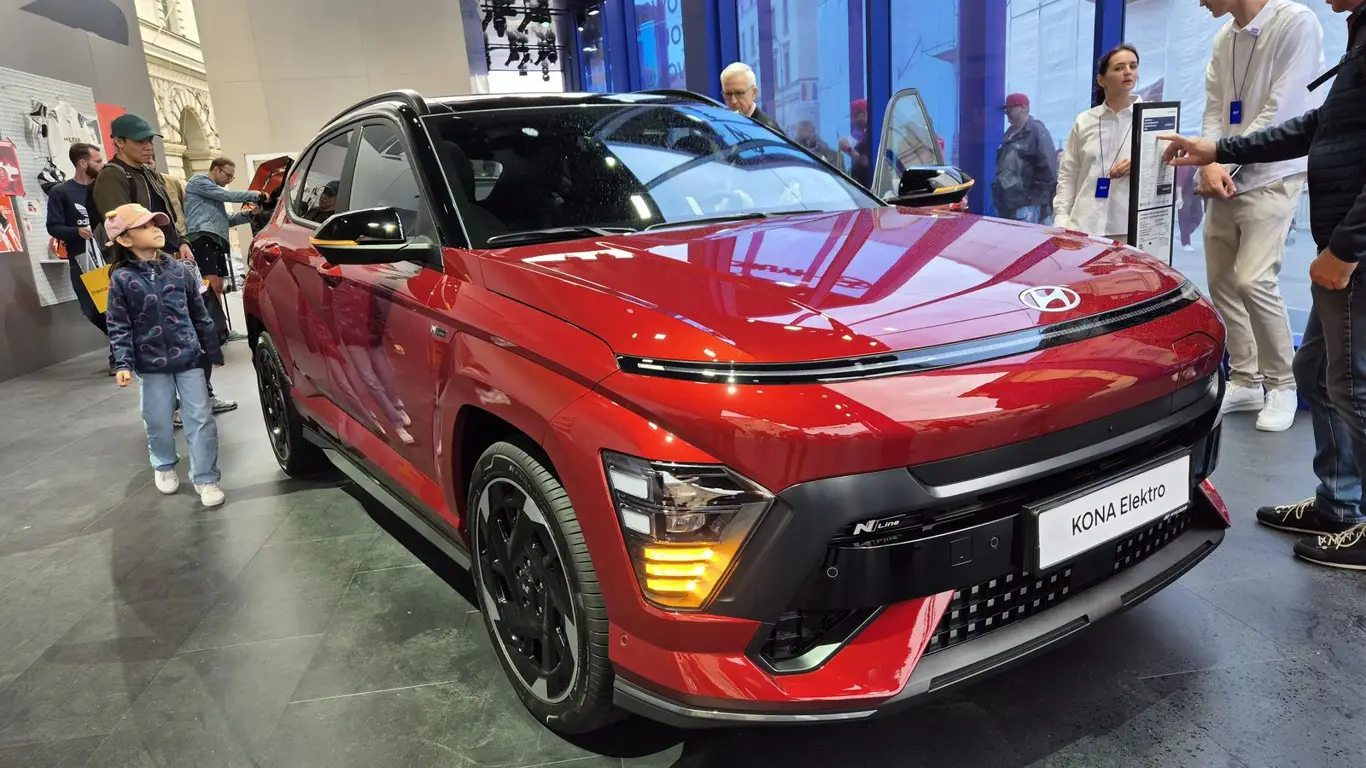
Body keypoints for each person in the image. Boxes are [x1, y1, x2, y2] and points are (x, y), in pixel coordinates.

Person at [1160, 0, 1366, 569]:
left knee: (1353, 385)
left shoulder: (1298, 24)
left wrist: (1347, 248)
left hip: (1344, 239)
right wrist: (1218, 149)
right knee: (1319, 372)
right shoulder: (1356, 32)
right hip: (1334, 231)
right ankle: (1339, 505)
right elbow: (1320, 125)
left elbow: (1296, 113)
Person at [1193, 0, 1324, 432]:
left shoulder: (1296, 22)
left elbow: (1282, 110)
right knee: (1222, 281)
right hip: (1224, 176)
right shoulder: (1224, 37)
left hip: (1274, 174)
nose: (1199, 2)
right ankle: (1246, 379)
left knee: (1254, 279)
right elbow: (1214, 108)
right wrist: (1210, 165)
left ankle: (1282, 383)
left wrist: (1220, 161)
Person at [93, 113, 236, 416]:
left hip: (169, 262)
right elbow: (121, 226)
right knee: (158, 338)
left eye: (149, 140)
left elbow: (167, 213)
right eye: (140, 141)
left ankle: (201, 396)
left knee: (196, 329)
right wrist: (153, 257)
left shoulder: (147, 172)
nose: (148, 146)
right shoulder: (113, 176)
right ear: (118, 142)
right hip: (142, 270)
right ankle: (174, 406)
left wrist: (181, 241)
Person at [104, 203, 225, 508]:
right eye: (144, 226)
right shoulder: (121, 279)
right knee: (157, 418)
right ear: (125, 239)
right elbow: (118, 324)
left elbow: (199, 313)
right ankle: (163, 463)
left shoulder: (180, 271)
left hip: (189, 357)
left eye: (155, 224)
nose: (155, 230)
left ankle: (206, 478)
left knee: (200, 418)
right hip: (150, 364)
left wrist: (211, 349)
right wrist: (123, 362)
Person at [1053, 44, 1142, 239]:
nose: (1128, 72)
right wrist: (1061, 220)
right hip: (1083, 226)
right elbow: (1068, 173)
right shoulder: (1084, 121)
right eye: (1119, 68)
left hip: (1128, 228)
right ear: (1102, 80)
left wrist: (1140, 165)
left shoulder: (1150, 119)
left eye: (1133, 66)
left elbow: (1167, 169)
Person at [45, 142, 113, 374]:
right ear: (83, 163)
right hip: (81, 258)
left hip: (110, 255)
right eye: (97, 161)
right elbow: (53, 227)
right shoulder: (61, 192)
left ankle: (119, 352)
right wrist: (76, 231)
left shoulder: (103, 189)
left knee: (114, 305)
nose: (102, 164)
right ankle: (124, 340)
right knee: (91, 309)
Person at [993, 93, 1057, 224]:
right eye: (1006, 109)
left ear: (1023, 107)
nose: (1007, 113)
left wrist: (1033, 198)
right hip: (1007, 206)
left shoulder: (1037, 131)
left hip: (1028, 207)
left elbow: (1049, 169)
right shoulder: (1009, 133)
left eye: (1010, 108)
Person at [720, 62, 781, 134]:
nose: (733, 101)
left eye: (739, 93)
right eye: (728, 94)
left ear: (754, 93)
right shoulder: (722, 126)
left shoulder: (769, 130)